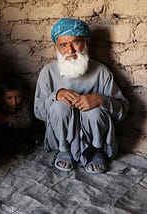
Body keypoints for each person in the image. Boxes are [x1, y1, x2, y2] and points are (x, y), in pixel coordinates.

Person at [34, 18, 129, 174]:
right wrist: (55, 96)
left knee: (95, 110)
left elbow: (122, 111)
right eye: (63, 45)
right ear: (56, 48)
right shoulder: (48, 72)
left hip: (96, 140)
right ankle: (64, 151)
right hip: (60, 140)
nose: (70, 50)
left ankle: (97, 151)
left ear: (86, 43)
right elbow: (38, 111)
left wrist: (101, 99)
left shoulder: (101, 72)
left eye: (76, 42)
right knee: (59, 106)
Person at [0, 73, 36, 157]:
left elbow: (27, 120)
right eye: (9, 98)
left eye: (17, 97)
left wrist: (8, 119)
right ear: (2, 96)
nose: (14, 101)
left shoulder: (25, 103)